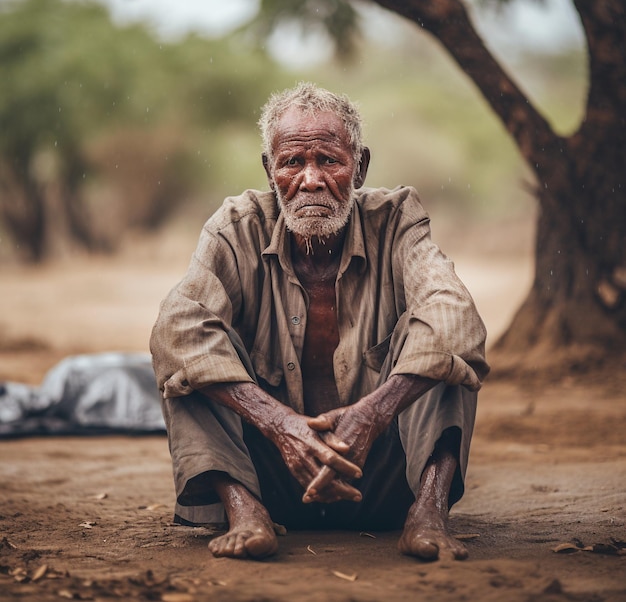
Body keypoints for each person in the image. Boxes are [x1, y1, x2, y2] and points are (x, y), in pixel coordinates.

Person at [150, 82, 489, 562]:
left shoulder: (397, 220)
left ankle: (429, 514)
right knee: (189, 356)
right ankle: (243, 512)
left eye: (329, 161)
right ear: (270, 171)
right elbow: (175, 334)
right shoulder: (236, 226)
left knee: (442, 347)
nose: (310, 180)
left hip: (383, 479)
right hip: (269, 481)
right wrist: (279, 424)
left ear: (360, 166)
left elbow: (456, 318)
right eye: (292, 163)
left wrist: (374, 413)